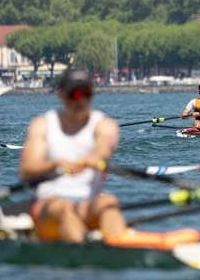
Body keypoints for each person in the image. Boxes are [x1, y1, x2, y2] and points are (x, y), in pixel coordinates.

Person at [19, 69, 127, 243]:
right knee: (65, 208)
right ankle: (81, 252)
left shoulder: (105, 125)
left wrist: (95, 157)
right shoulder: (43, 125)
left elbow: (104, 147)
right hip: (49, 205)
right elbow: (27, 169)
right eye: (75, 94)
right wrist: (55, 164)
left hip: (87, 205)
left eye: (86, 94)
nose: (81, 100)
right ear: (61, 94)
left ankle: (122, 249)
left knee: (108, 202)